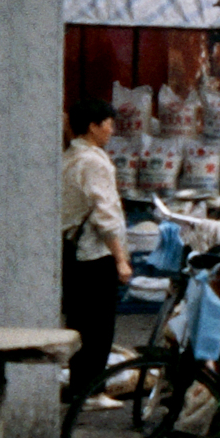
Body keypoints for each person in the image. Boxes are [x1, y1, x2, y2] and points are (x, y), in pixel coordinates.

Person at [60, 98, 132, 405]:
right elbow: (105, 215)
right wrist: (121, 259)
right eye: (108, 124)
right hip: (94, 254)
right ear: (93, 126)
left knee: (80, 323)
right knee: (99, 327)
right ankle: (90, 390)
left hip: (73, 252)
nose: (111, 130)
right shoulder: (94, 162)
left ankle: (80, 388)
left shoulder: (69, 157)